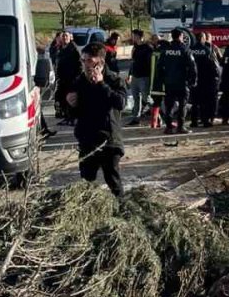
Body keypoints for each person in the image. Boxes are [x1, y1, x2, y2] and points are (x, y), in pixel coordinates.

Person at [66, 43, 126, 196]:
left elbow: (121, 103)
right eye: (83, 60)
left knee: (113, 181)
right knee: (86, 183)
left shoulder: (114, 80)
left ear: (101, 62)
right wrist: (71, 104)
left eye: (89, 61)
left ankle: (122, 207)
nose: (85, 64)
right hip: (87, 140)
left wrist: (101, 84)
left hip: (109, 140)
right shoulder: (79, 81)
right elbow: (75, 114)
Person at [159, 27, 197, 134]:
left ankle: (169, 127)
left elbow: (159, 66)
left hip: (169, 82)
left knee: (169, 105)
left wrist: (163, 79)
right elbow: (193, 67)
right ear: (180, 36)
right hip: (182, 82)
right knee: (182, 105)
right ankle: (180, 127)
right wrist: (193, 80)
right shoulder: (185, 49)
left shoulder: (166, 50)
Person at [190, 31, 222, 128]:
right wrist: (216, 77)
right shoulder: (207, 50)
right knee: (204, 101)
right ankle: (205, 121)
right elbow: (213, 65)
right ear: (202, 38)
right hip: (205, 79)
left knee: (195, 102)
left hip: (194, 79)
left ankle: (194, 121)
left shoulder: (190, 49)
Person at [54, 31, 82, 121]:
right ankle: (65, 115)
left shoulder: (74, 49)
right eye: (63, 36)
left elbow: (80, 65)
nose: (64, 38)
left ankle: (71, 117)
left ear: (70, 37)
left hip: (72, 78)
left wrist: (77, 77)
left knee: (70, 98)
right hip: (62, 78)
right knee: (61, 97)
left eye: (66, 36)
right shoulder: (61, 49)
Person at [128, 29, 154, 125]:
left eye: (134, 36)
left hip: (144, 77)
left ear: (139, 36)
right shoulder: (135, 47)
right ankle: (136, 118)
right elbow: (133, 62)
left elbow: (151, 63)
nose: (132, 37)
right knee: (136, 98)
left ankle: (156, 116)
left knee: (146, 98)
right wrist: (130, 75)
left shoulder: (148, 47)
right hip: (135, 76)